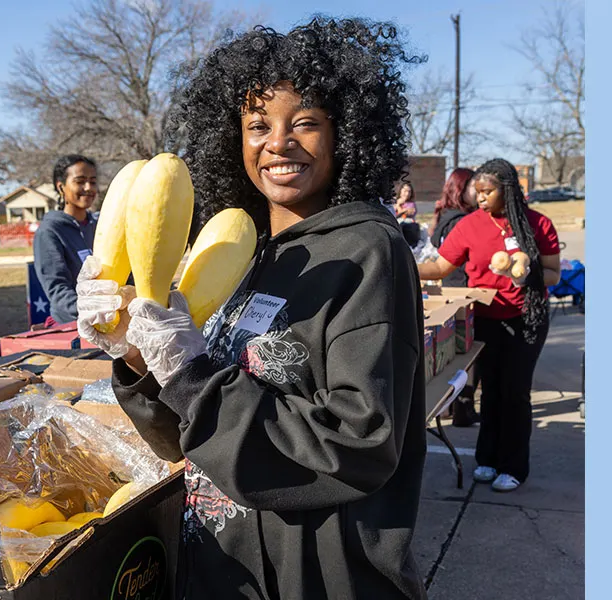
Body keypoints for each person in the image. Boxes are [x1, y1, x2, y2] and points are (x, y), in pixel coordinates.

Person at [76, 17, 428, 599]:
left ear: (345, 133)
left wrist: (191, 375)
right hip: (221, 569)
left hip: (314, 576)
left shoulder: (369, 251)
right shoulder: (239, 251)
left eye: (305, 123)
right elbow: (183, 438)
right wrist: (140, 357)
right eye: (258, 125)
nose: (278, 142)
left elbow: (360, 444)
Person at [417, 158, 561, 493]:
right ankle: (488, 459)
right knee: (491, 390)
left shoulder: (538, 223)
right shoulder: (469, 225)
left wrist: (529, 276)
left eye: (487, 192)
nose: (480, 198)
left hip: (526, 319)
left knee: (515, 392)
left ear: (507, 190)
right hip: (484, 319)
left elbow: (554, 273)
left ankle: (513, 466)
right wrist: (401, 264)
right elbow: (440, 267)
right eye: (477, 192)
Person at [426, 167, 480, 426]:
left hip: (450, 287)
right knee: (466, 354)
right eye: (474, 187)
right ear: (461, 189)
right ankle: (462, 408)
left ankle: (448, 408)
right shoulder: (462, 221)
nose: (479, 193)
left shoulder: (444, 216)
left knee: (451, 353)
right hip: (463, 290)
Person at [33, 154, 99, 326]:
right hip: (73, 325)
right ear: (61, 187)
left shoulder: (102, 226)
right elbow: (58, 289)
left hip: (111, 319)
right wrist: (94, 310)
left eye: (93, 182)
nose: (88, 188)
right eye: (80, 181)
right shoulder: (50, 231)